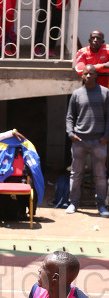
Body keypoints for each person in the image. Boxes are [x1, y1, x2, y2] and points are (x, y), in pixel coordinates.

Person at [65, 64, 109, 217]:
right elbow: (70, 116)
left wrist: (106, 136)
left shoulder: (105, 93)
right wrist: (70, 133)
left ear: (96, 75)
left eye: (91, 73)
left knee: (100, 175)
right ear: (82, 76)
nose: (88, 76)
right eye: (86, 74)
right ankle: (73, 203)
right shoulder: (77, 94)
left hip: (99, 141)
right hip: (80, 140)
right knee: (76, 174)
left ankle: (101, 205)